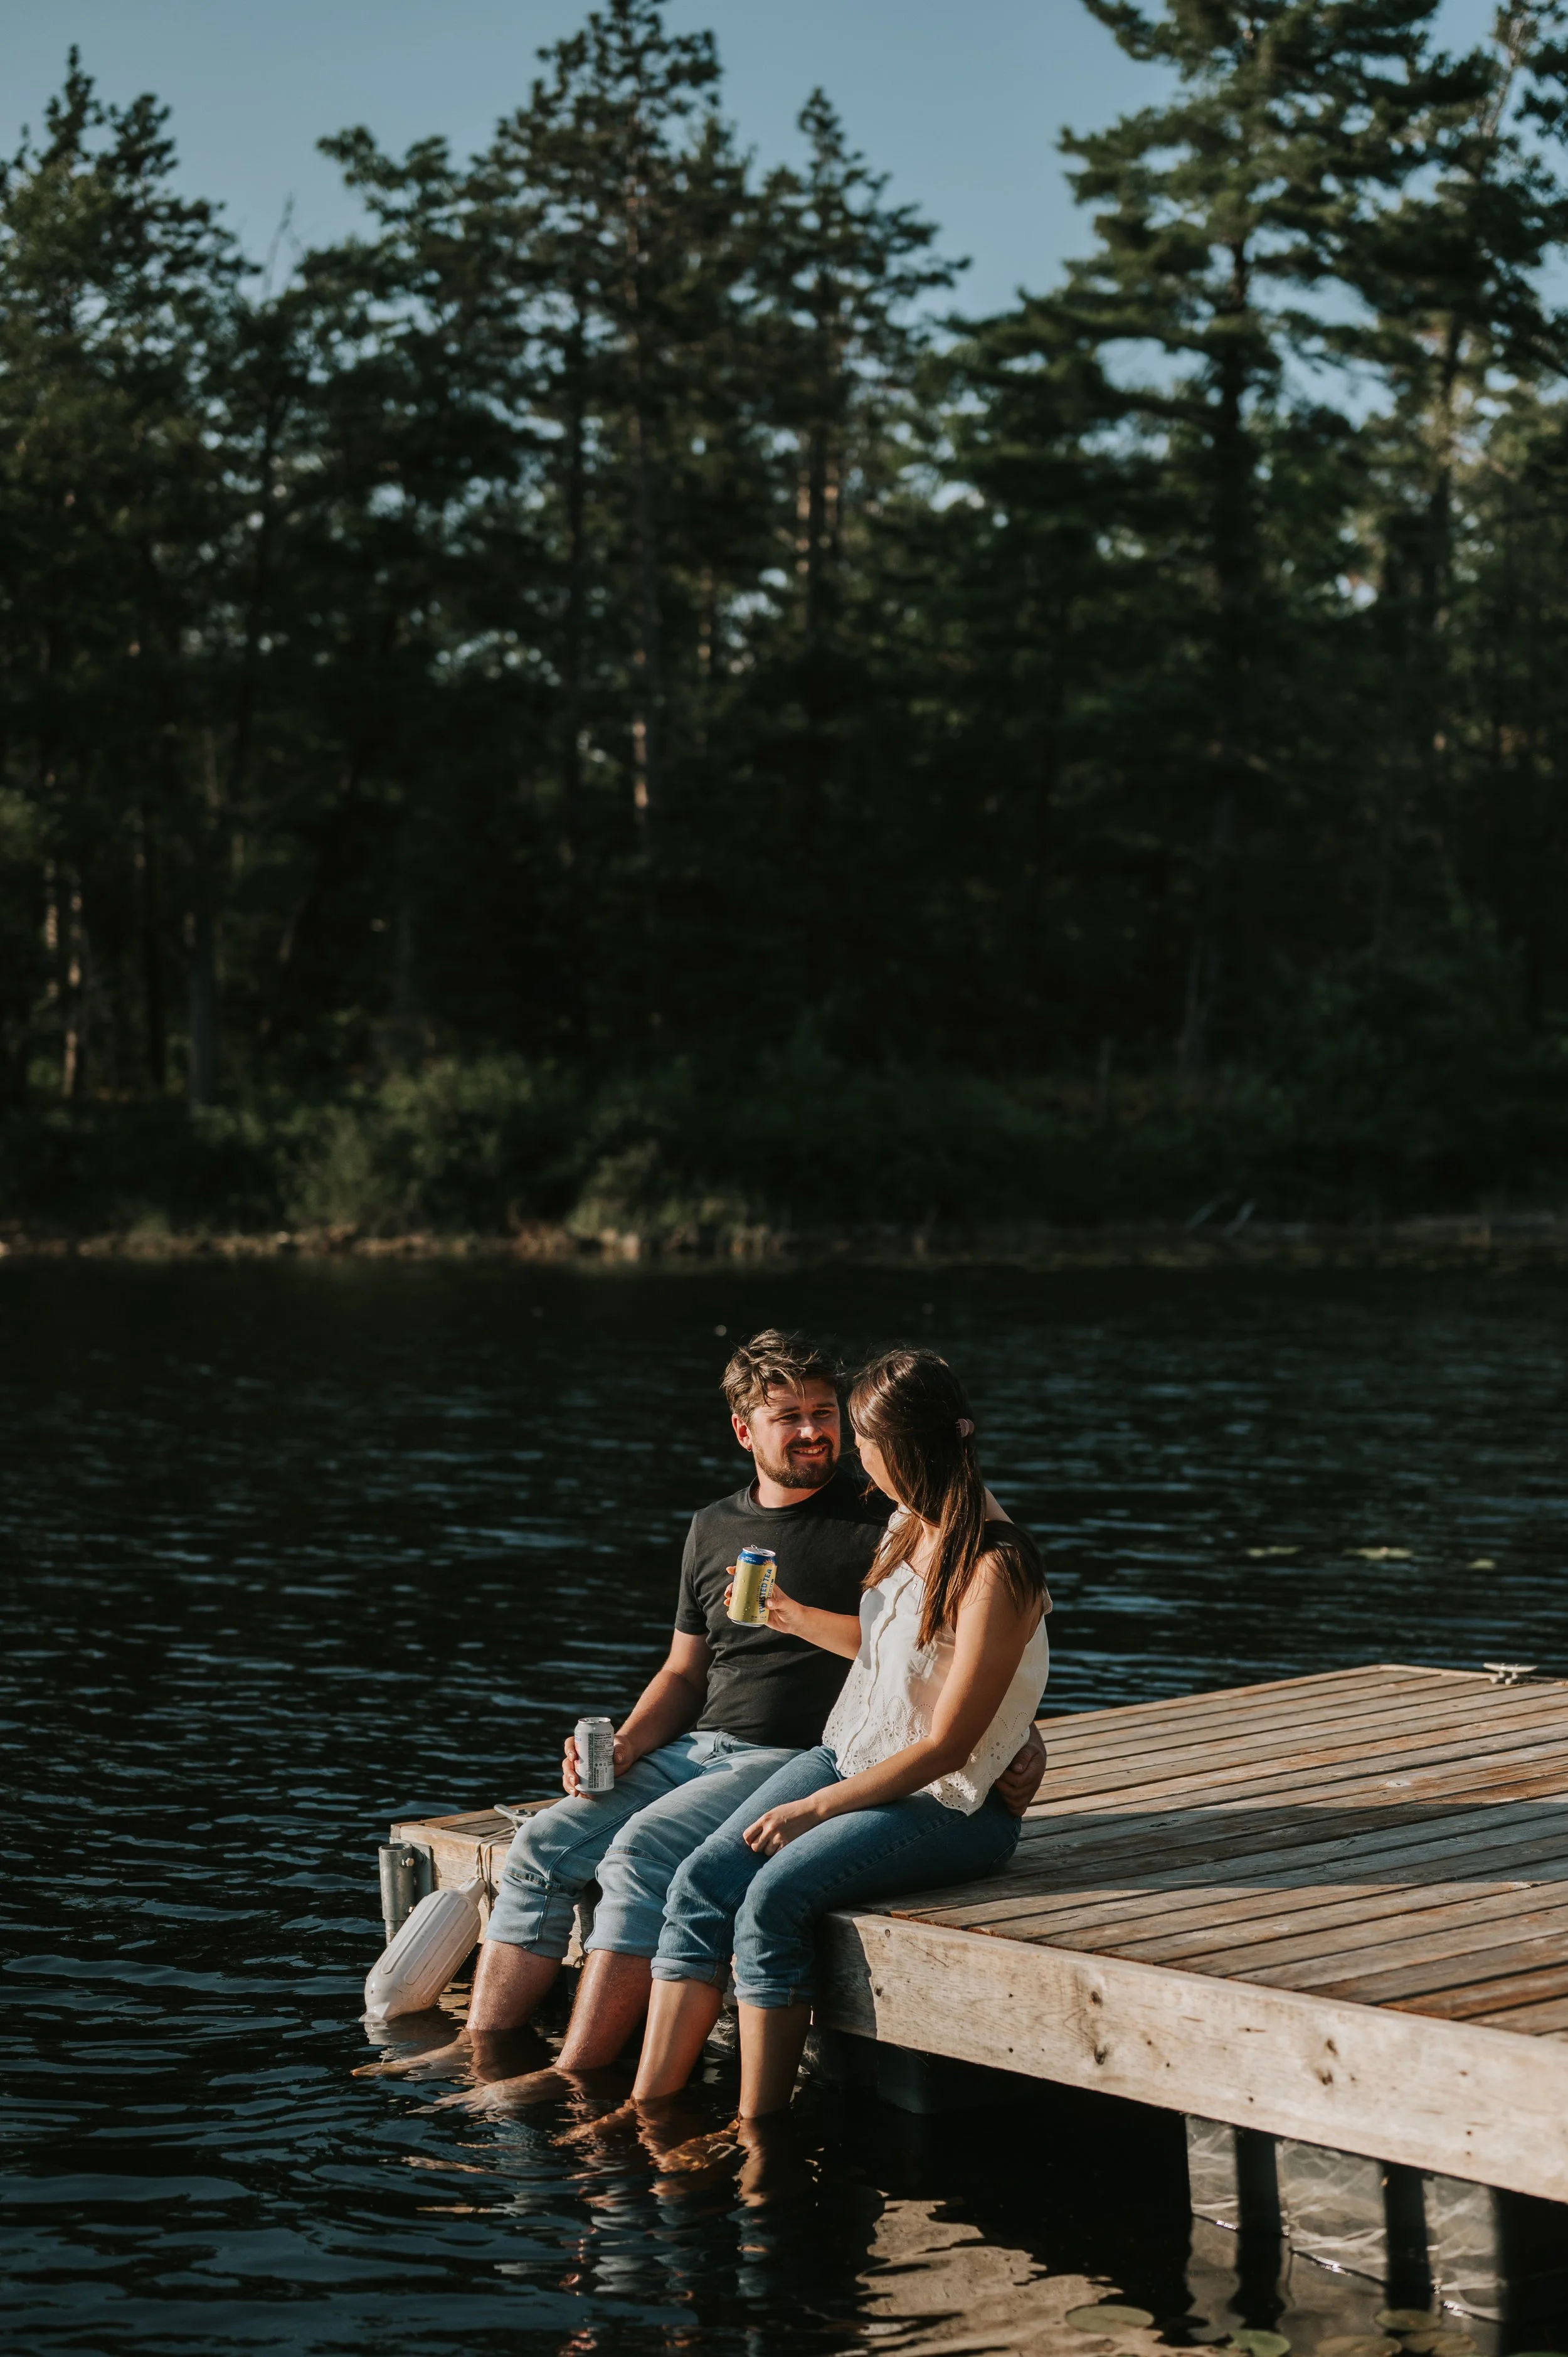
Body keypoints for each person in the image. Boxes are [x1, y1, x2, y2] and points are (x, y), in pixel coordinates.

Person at [362, 1328, 1046, 2100]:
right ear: (743, 1431)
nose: (822, 1435)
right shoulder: (740, 1526)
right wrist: (623, 1744)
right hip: (721, 1746)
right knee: (543, 1844)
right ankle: (484, 2050)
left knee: (649, 1858)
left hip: (800, 1756)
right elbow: (688, 1671)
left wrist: (1019, 1733)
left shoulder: (886, 1518)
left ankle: (578, 2075)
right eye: (790, 1416)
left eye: (830, 1415)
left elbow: (969, 1662)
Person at [607, 1345, 1050, 2132]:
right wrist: (788, 1614)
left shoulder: (996, 1563)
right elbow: (891, 1655)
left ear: (903, 1447)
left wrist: (816, 1809)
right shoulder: (908, 1525)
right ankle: (650, 2110)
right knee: (703, 1878)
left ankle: (755, 2130)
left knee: (773, 1899)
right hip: (852, 1755)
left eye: (864, 1440)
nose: (855, 1456)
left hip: (950, 1805)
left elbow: (949, 1745)